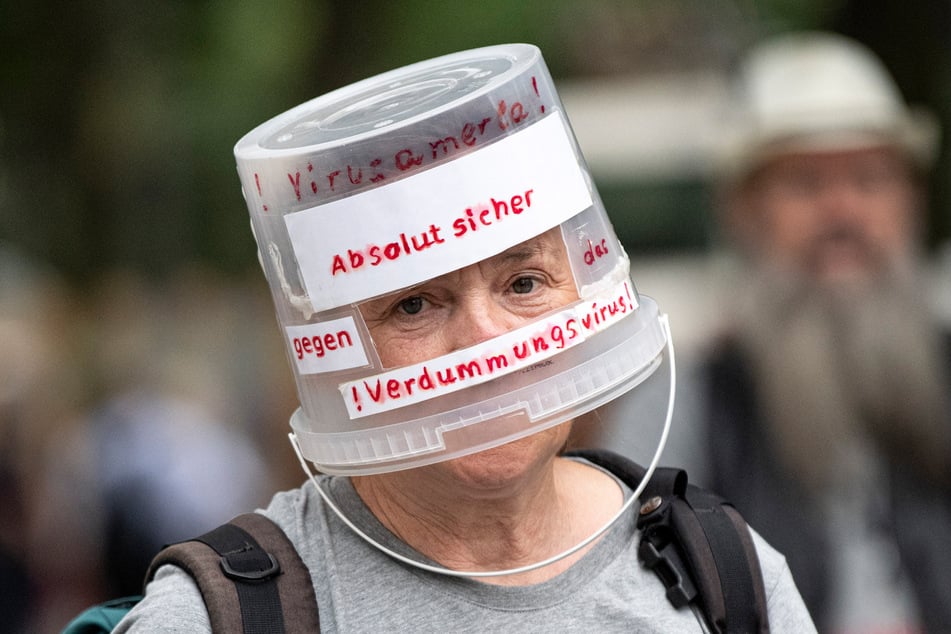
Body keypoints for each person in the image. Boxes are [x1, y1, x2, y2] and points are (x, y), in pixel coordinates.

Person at [115, 44, 814, 632]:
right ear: (331, 353)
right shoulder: (217, 617)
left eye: (523, 285)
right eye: (414, 304)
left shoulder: (722, 570)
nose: (483, 344)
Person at [701, 31, 951, 633]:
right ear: (743, 211)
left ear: (910, 200)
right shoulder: (694, 404)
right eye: (805, 185)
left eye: (869, 180)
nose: (843, 212)